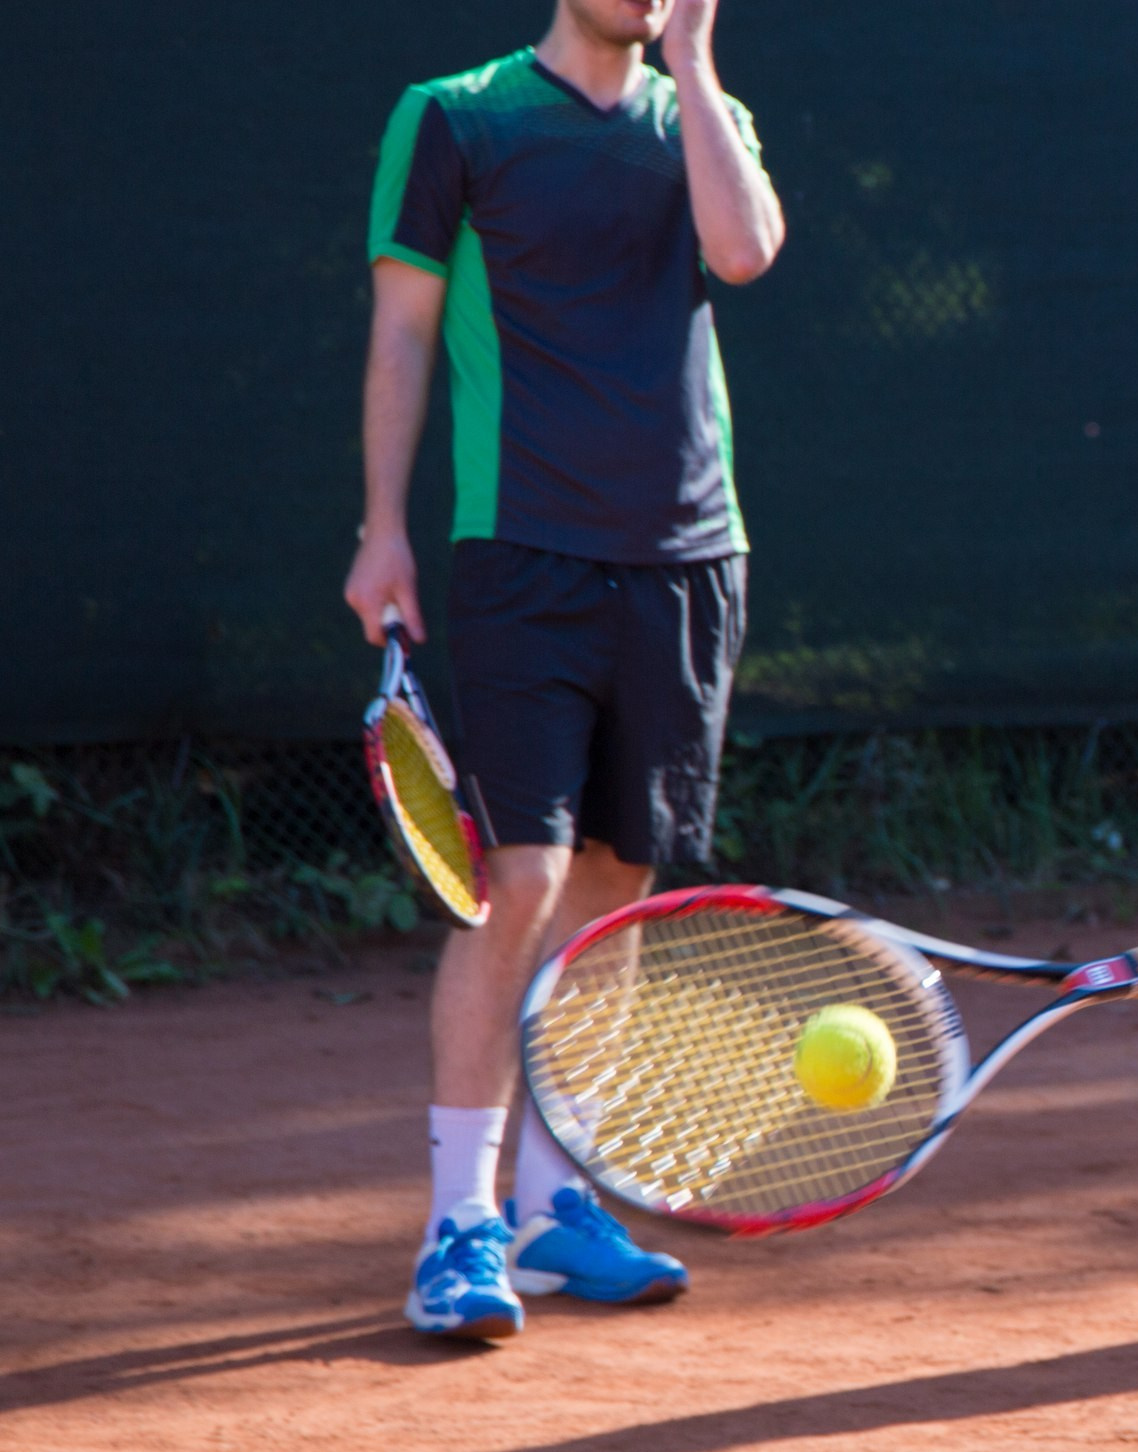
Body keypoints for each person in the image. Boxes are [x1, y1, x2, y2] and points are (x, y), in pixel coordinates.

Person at [343, 0, 785, 1339]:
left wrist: (694, 66)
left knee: (613, 889)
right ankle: (458, 1222)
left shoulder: (702, 117)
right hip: (522, 547)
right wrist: (382, 526)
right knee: (519, 879)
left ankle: (553, 1205)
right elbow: (404, 330)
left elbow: (744, 252)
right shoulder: (455, 118)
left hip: (690, 558)